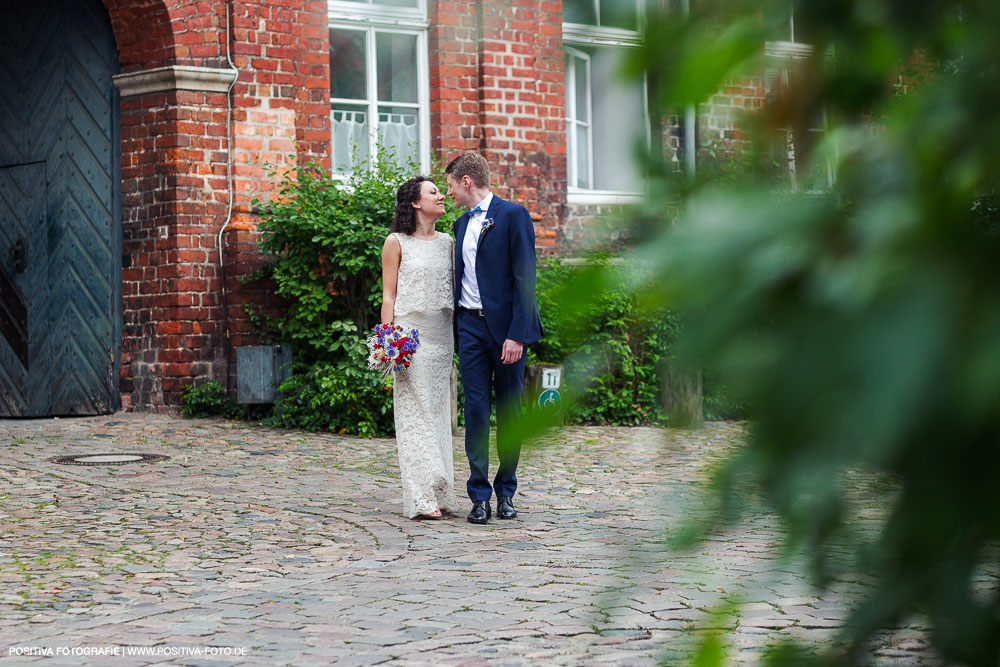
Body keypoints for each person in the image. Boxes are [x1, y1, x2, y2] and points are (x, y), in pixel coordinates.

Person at [445, 152, 543, 525]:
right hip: (469, 327)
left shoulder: (513, 215)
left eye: (451, 185)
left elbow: (525, 279)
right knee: (476, 411)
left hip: (507, 332)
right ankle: (479, 496)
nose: (449, 192)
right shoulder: (459, 225)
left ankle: (506, 492)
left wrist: (517, 334)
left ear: (466, 181)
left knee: (510, 411)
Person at [380, 177, 459, 519]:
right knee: (417, 415)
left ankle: (440, 490)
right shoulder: (395, 242)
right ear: (415, 203)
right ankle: (422, 497)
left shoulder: (449, 243)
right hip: (409, 337)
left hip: (442, 336)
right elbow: (388, 296)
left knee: (439, 414)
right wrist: (388, 342)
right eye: (433, 192)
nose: (442, 195)